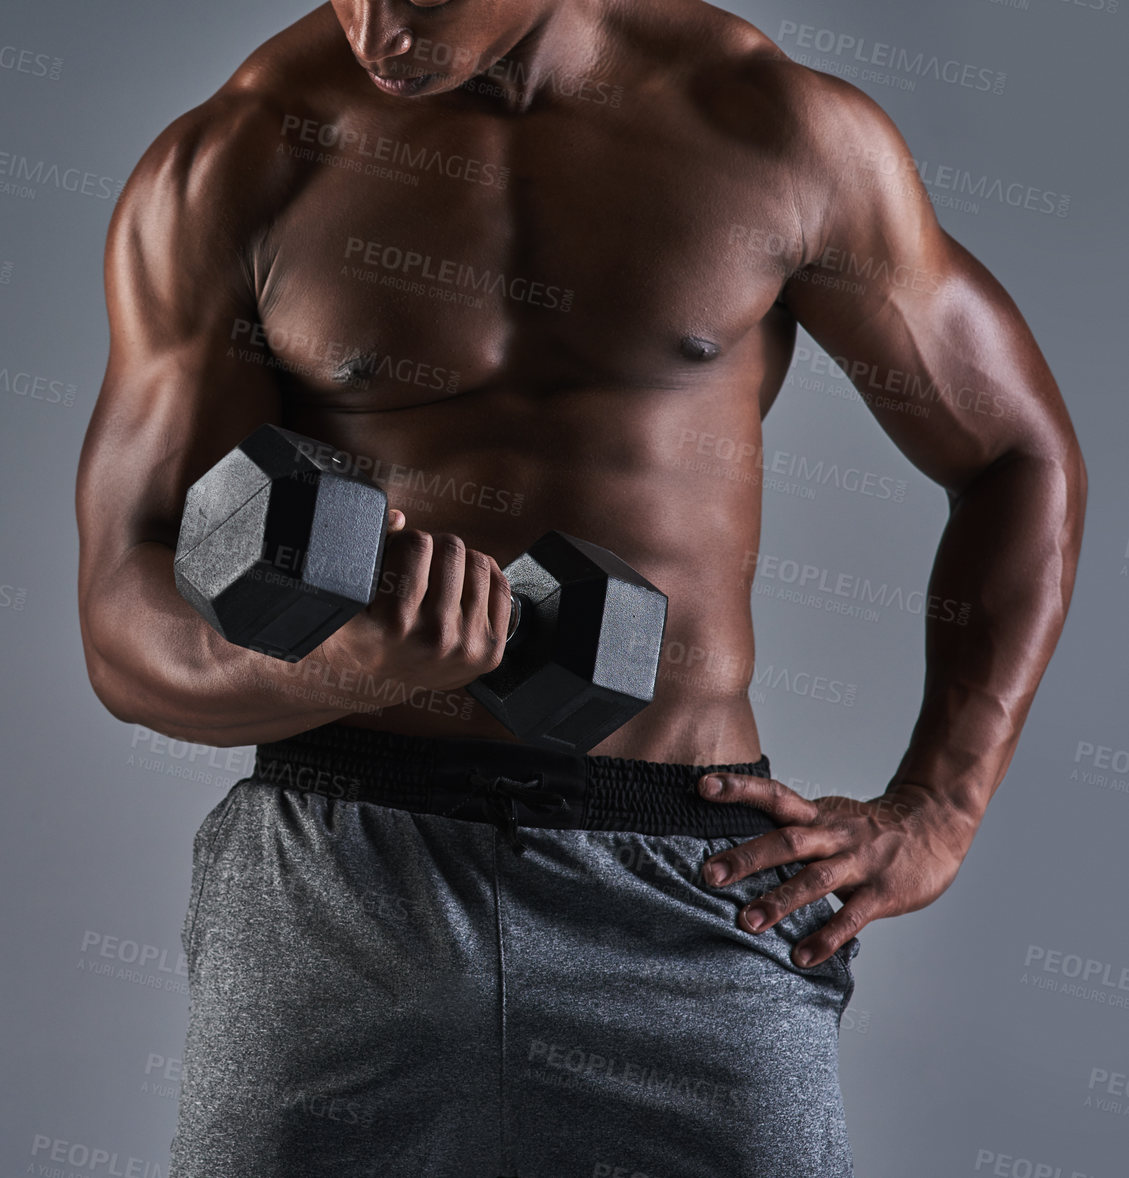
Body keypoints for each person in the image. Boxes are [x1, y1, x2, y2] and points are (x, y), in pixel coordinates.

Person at [74, 1, 1087, 1174]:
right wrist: (348, 664)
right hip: (344, 875)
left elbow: (1015, 456)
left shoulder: (774, 132)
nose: (377, 28)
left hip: (686, 879)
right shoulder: (238, 159)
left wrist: (937, 807)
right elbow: (120, 619)